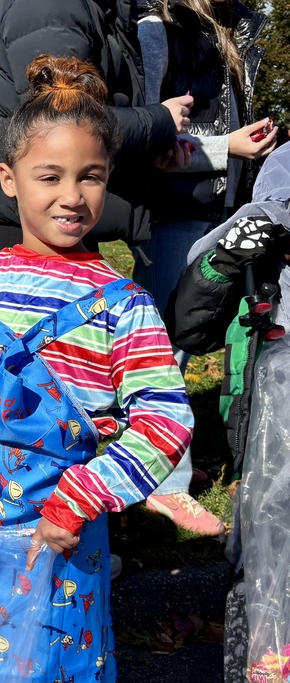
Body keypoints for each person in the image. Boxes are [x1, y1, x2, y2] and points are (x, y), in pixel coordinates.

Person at [0, 56, 194, 682]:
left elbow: (164, 422)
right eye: (50, 175)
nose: (72, 197)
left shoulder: (123, 308)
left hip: (63, 545)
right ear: (8, 178)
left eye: (91, 177)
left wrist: (81, 498)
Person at [133, 0, 272, 535]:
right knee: (164, 351)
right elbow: (148, 136)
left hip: (218, 212)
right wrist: (227, 149)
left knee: (191, 343)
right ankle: (162, 483)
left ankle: (180, 460)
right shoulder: (159, 29)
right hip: (175, 213)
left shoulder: (229, 29)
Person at [169, 142, 290, 682]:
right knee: (264, 556)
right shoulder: (268, 214)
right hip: (269, 417)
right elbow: (190, 324)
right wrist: (227, 260)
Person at [0, 0, 194, 260]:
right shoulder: (53, 7)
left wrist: (150, 151)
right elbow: (62, 116)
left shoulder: (97, 9)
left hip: (49, 216)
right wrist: (161, 120)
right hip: (22, 221)